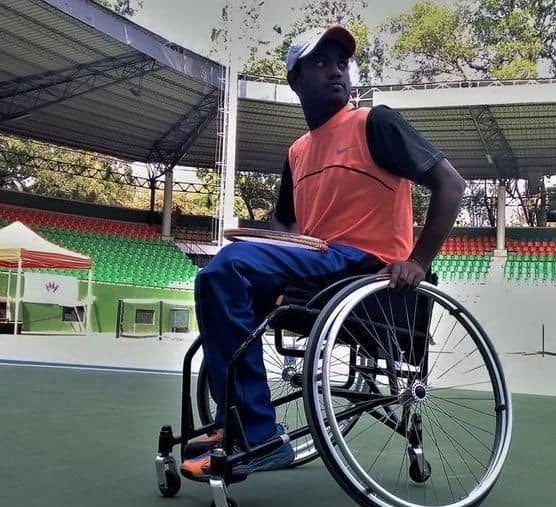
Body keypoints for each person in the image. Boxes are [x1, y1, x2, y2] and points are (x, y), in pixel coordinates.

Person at [181, 24, 465, 478]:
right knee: (222, 276)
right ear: (295, 80)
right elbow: (286, 220)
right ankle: (231, 421)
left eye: (341, 63)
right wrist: (278, 245)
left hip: (363, 263)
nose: (336, 71)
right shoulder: (297, 151)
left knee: (224, 269)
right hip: (318, 262)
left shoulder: (375, 122)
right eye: (320, 63)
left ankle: (257, 435)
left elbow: (450, 184)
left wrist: (417, 261)